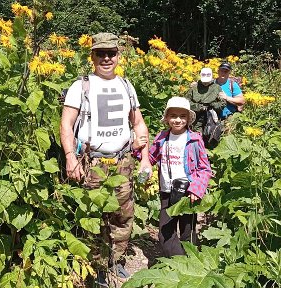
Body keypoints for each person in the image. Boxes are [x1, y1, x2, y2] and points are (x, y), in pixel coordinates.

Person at [60, 32, 151, 285]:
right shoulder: (81, 86)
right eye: (101, 53)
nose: (107, 58)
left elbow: (139, 124)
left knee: (123, 214)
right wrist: (70, 157)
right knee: (93, 215)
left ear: (118, 56)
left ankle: (116, 260)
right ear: (93, 56)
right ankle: (97, 266)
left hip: (122, 161)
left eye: (111, 53)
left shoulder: (126, 85)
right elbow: (66, 125)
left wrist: (145, 159)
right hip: (92, 162)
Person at [135, 97, 211, 257]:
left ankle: (189, 265)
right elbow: (150, 159)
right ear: (167, 118)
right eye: (173, 116)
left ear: (189, 119)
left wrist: (196, 190)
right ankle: (178, 261)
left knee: (187, 232)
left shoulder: (195, 140)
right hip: (167, 191)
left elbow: (204, 168)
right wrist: (137, 149)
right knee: (165, 232)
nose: (178, 120)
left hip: (188, 194)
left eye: (182, 116)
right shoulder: (162, 138)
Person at [185, 67, 226, 147]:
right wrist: (199, 107)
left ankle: (208, 154)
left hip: (211, 117)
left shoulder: (216, 88)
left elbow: (223, 103)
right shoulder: (194, 88)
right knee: (196, 138)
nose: (206, 83)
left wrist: (212, 105)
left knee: (211, 137)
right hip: (196, 117)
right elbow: (186, 102)